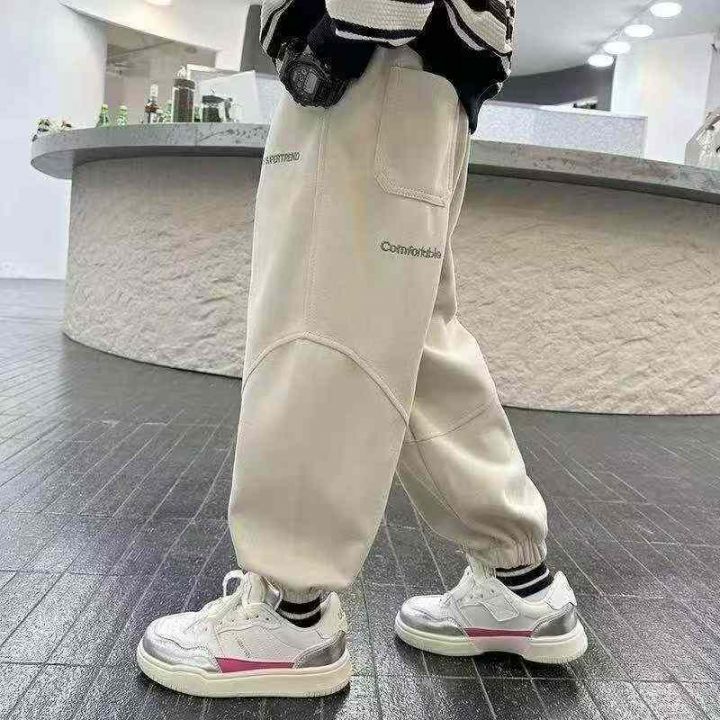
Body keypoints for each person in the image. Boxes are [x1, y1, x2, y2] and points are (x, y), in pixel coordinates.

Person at [136, 0, 588, 698]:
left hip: (364, 54)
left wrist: (335, 41)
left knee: (318, 320)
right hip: (420, 73)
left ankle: (289, 611)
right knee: (412, 336)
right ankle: (517, 580)